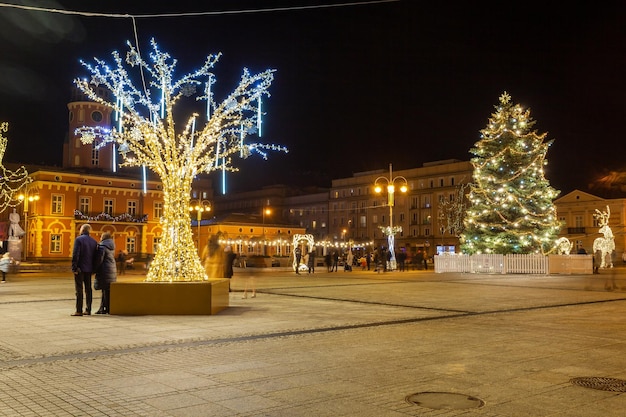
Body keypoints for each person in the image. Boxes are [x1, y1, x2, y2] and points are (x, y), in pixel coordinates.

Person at [71, 224, 98, 316]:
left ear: (82, 230)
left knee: (79, 289)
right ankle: (88, 309)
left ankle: (79, 310)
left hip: (80, 268)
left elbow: (76, 254)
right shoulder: (94, 242)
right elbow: (95, 257)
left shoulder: (78, 240)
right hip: (89, 269)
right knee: (88, 289)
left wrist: (74, 267)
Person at [93, 232, 116, 314]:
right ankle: (105, 308)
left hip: (104, 271)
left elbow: (99, 260)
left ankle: (104, 308)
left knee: (104, 290)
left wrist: (94, 270)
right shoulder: (112, 247)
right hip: (111, 271)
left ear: (103, 238)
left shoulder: (102, 247)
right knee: (107, 290)